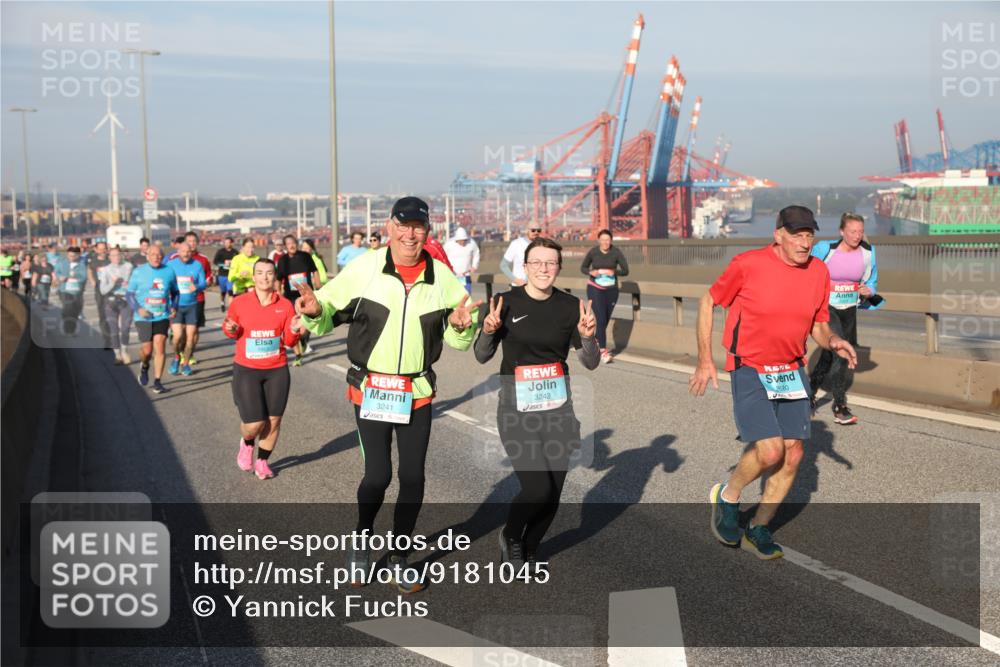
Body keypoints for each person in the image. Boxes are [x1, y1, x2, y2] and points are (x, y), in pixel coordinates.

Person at [295, 196, 481, 593]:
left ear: (427, 231)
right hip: (372, 390)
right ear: (390, 226)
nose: (410, 233)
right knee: (378, 476)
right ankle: (362, 541)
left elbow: (459, 339)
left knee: (413, 477)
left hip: (416, 391)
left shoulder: (443, 278)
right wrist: (313, 310)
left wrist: (463, 325)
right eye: (403, 224)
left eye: (418, 226)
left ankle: (399, 557)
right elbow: (327, 314)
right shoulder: (365, 268)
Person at [689, 206, 857, 560]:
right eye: (796, 234)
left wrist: (835, 342)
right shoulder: (747, 264)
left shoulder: (819, 271)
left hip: (790, 369)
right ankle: (729, 496)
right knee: (770, 451)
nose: (804, 241)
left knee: (794, 453)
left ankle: (759, 528)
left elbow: (818, 325)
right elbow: (709, 301)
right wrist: (705, 359)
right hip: (749, 365)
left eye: (809, 234)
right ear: (778, 234)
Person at [476, 237, 599, 572]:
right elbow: (481, 354)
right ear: (525, 267)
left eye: (551, 263)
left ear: (558, 268)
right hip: (517, 411)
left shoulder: (570, 307)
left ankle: (530, 549)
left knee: (553, 494)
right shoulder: (504, 302)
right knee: (537, 487)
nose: (544, 269)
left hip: (559, 412)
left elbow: (590, 363)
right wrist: (488, 331)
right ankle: (512, 536)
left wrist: (588, 337)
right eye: (537, 263)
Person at [223, 259, 304, 480]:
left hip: (276, 369)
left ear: (275, 277)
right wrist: (230, 328)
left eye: (269, 273)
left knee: (274, 420)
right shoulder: (240, 303)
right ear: (253, 276)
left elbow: (288, 340)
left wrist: (296, 328)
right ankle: (247, 442)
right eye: (259, 273)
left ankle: (262, 462)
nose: (264, 277)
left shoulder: (285, 304)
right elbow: (230, 329)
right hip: (247, 369)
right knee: (254, 424)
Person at [809, 212, 882, 426]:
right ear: (842, 232)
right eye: (852, 231)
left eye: (860, 231)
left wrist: (869, 290)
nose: (857, 236)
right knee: (841, 354)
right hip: (827, 307)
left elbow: (872, 279)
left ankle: (808, 393)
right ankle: (839, 405)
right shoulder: (826, 249)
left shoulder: (868, 252)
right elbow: (808, 271)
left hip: (850, 308)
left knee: (828, 353)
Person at [127, 245, 179, 394]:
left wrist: (174, 306)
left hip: (161, 315)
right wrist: (138, 309)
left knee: (160, 344)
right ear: (147, 256)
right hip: (143, 316)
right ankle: (144, 366)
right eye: (153, 254)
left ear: (162, 257)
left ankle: (157, 381)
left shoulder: (169, 271)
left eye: (159, 255)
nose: (156, 257)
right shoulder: (138, 272)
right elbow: (129, 294)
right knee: (147, 350)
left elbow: (175, 292)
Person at [580, 229, 630, 364]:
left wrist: (613, 271)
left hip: (611, 290)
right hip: (594, 288)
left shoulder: (616, 252)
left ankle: (595, 342)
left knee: (605, 320)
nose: (605, 242)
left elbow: (625, 270)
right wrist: (592, 271)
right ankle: (603, 351)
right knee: (601, 319)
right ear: (599, 241)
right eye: (603, 240)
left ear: (611, 241)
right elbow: (583, 267)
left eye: (607, 240)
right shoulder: (593, 252)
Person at [166, 241, 207, 376]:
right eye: (183, 251)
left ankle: (186, 364)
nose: (186, 254)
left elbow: (203, 283)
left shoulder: (197, 265)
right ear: (178, 252)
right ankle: (176, 357)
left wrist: (198, 287)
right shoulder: (171, 265)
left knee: (190, 337)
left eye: (188, 251)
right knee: (177, 336)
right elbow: (164, 282)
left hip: (192, 305)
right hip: (176, 306)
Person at [276, 235, 318, 365]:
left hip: (306, 294)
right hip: (291, 297)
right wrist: (279, 293)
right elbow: (278, 279)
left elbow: (315, 271)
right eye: (288, 243)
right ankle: (298, 355)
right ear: (285, 246)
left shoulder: (305, 256)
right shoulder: (283, 261)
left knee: (305, 327)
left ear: (296, 243)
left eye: (293, 242)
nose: (291, 245)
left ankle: (304, 340)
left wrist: (318, 286)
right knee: (294, 325)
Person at [181, 231, 214, 365]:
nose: (192, 244)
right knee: (182, 329)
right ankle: (181, 352)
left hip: (198, 299)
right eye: (189, 241)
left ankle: (190, 353)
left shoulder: (203, 259)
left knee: (194, 329)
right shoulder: (176, 259)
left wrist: (206, 282)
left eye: (194, 241)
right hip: (181, 300)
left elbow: (209, 277)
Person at [99, 246, 134, 364]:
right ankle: (117, 355)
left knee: (125, 328)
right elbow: (103, 290)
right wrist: (113, 283)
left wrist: (130, 286)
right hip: (111, 301)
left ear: (122, 255)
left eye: (118, 255)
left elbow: (135, 283)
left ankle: (124, 351)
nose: (116, 257)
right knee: (113, 330)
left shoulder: (129, 266)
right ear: (109, 257)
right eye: (113, 255)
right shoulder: (105, 270)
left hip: (126, 300)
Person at [54, 246, 88, 336]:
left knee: (75, 310)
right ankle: (67, 329)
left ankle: (72, 328)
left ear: (78, 255)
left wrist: (76, 276)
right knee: (68, 308)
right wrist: (59, 277)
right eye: (69, 256)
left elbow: (84, 277)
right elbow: (56, 272)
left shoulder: (81, 265)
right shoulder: (62, 263)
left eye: (73, 256)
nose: (71, 258)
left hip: (77, 291)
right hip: (65, 290)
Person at [88, 241, 112, 349]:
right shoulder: (93, 262)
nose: (102, 251)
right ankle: (107, 340)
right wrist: (92, 281)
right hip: (99, 292)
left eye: (104, 248)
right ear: (96, 250)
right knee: (103, 315)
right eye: (100, 249)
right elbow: (89, 271)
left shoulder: (111, 260)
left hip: (112, 291)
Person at [444, 227, 480, 294]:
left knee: (467, 295)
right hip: (452, 275)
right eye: (461, 240)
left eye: (464, 240)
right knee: (453, 295)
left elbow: (476, 253)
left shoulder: (471, 243)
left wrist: (475, 266)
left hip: (465, 275)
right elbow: (443, 257)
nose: (463, 242)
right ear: (456, 239)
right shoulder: (448, 244)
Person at [213, 237, 239, 312]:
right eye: (225, 243)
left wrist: (232, 263)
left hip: (231, 275)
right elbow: (215, 262)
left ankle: (231, 308)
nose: (227, 244)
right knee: (223, 292)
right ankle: (222, 302)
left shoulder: (235, 252)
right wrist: (223, 263)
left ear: (232, 243)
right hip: (222, 274)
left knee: (230, 291)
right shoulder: (220, 252)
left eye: (228, 242)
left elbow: (238, 262)